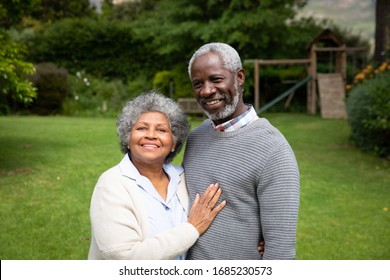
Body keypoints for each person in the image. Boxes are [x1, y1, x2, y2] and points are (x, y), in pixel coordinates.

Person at [183, 42, 300, 260]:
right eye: (198, 83)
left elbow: (281, 251)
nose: (207, 90)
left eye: (216, 79)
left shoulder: (274, 149)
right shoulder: (195, 137)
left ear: (239, 77)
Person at [88, 90, 226, 260]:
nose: (151, 135)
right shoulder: (111, 184)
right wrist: (191, 229)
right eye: (141, 128)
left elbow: (213, 214)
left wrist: (258, 239)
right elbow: (124, 257)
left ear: (174, 143)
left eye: (161, 130)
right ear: (128, 138)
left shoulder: (183, 177)